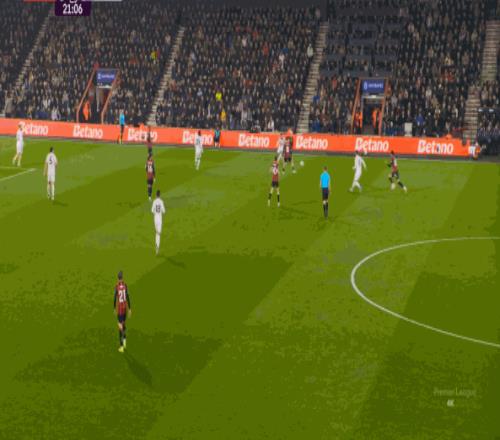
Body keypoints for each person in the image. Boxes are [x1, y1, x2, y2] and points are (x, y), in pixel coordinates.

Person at [114, 270, 131, 353]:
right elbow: (127, 296)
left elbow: (114, 297)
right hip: (125, 309)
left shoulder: (117, 286)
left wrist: (114, 308)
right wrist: (130, 308)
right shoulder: (125, 285)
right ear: (122, 278)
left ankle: (121, 346)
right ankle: (125, 342)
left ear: (118, 278)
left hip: (120, 310)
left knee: (120, 327)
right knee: (124, 324)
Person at [152, 189, 166, 255]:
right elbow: (164, 211)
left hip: (155, 219)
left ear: (156, 195)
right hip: (160, 219)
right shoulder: (161, 201)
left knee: (156, 233)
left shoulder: (154, 201)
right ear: (160, 195)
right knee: (158, 234)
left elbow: (152, 210)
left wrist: (155, 212)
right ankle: (157, 248)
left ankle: (156, 245)